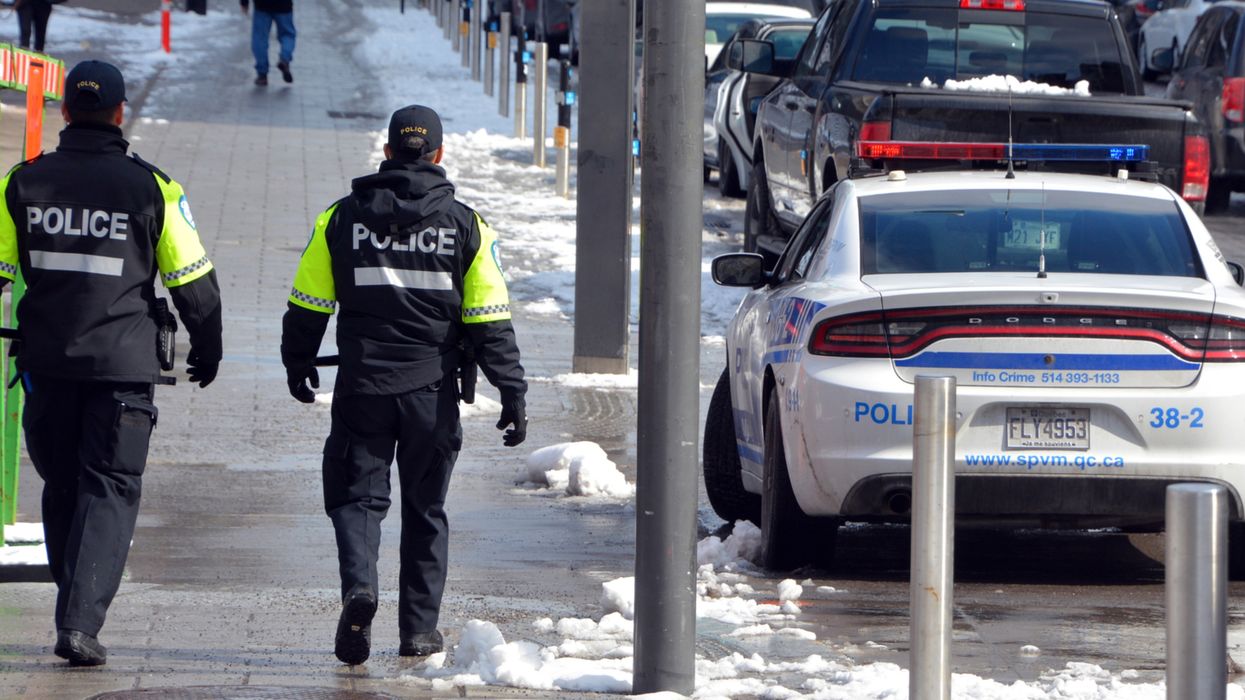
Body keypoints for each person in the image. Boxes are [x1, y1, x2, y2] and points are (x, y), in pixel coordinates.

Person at [281, 104, 527, 666]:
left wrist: (298, 360)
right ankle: (418, 631)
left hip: (362, 386)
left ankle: (360, 588)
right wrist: (511, 389)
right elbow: (489, 318)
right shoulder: (467, 225)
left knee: (356, 499)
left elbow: (308, 301)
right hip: (431, 392)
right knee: (426, 509)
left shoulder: (340, 218)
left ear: (388, 151)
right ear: (438, 153)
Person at [0, 60, 223, 667]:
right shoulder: (153, 187)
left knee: (62, 484)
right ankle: (79, 623)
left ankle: (71, 609)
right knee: (111, 485)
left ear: (65, 109)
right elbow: (192, 281)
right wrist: (208, 346)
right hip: (122, 368)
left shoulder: (23, 182)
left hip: (47, 364)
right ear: (120, 112)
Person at [240, 0, 295, 86]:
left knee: (260, 38)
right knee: (287, 35)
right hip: (284, 5)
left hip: (262, 5)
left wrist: (244, 3)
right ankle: (284, 59)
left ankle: (262, 74)